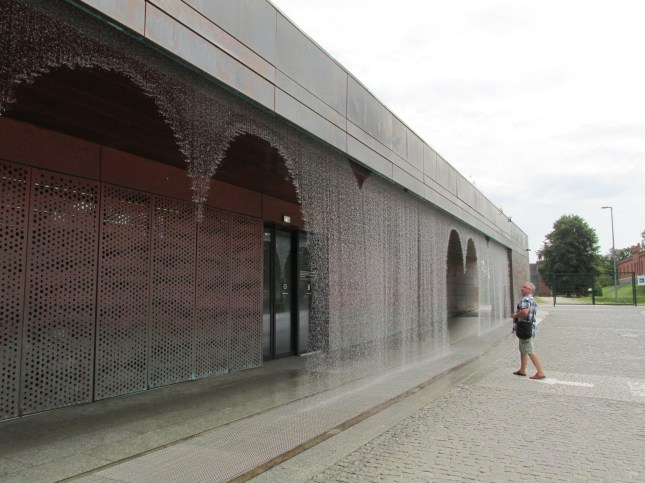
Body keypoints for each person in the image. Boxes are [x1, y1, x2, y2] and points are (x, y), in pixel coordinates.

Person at [512, 282, 546, 379]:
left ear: (529, 290)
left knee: (529, 350)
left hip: (525, 329)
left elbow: (525, 312)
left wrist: (515, 315)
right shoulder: (532, 299)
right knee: (523, 350)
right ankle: (522, 370)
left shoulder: (526, 299)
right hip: (529, 328)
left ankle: (540, 372)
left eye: (524, 287)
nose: (522, 288)